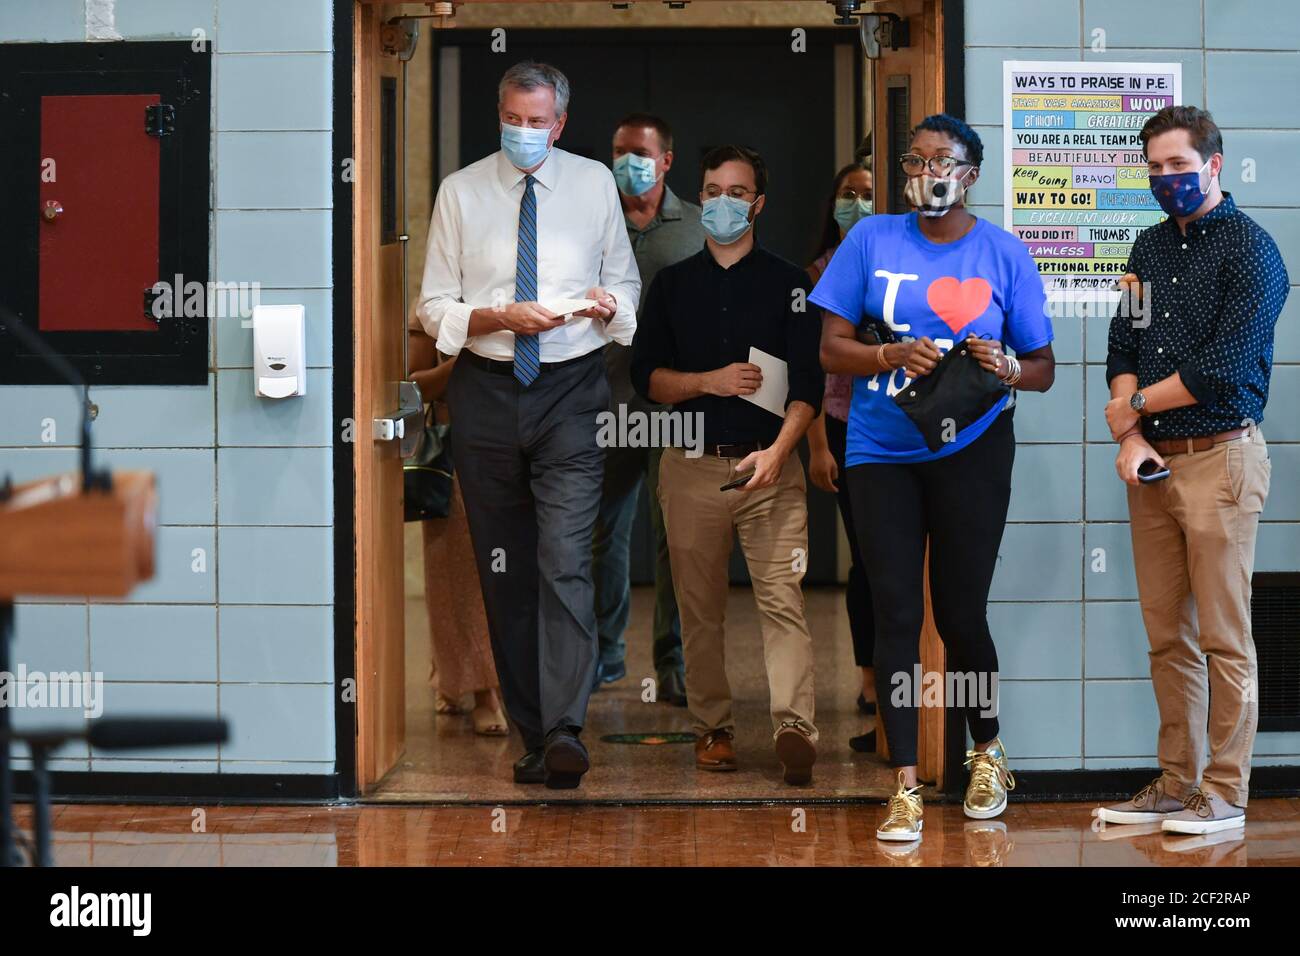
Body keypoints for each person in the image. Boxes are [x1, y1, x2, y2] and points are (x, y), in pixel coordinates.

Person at [813, 114, 1056, 839]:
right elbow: (830, 349)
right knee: (896, 615)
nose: (928, 173)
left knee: (960, 613)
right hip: (881, 451)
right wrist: (889, 357)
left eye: (943, 161)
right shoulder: (870, 240)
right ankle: (905, 787)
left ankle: (987, 752)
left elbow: (1041, 368)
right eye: (915, 161)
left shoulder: (1004, 253)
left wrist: (1010, 367)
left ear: (971, 173)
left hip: (973, 452)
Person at [416, 61, 641, 790]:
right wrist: (495, 316)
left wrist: (612, 307)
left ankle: (568, 727)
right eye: (511, 118)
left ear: (560, 123)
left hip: (574, 389)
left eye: (535, 120)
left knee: (565, 558)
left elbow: (627, 284)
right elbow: (433, 307)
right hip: (485, 390)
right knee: (504, 570)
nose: (521, 131)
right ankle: (534, 733)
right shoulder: (460, 191)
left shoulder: (594, 184)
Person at [1095, 106, 1288, 836]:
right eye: (1155, 168)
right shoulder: (1146, 248)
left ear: (1214, 164)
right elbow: (1123, 342)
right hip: (1151, 465)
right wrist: (1129, 431)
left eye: (1179, 165)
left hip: (1222, 459)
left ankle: (1226, 794)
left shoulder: (1252, 250)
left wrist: (1134, 405)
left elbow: (1221, 369)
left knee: (1223, 637)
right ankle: (1177, 783)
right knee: (1165, 635)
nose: (1166, 179)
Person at [631, 144, 823, 786]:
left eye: (736, 192)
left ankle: (795, 725)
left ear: (758, 204)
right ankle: (712, 730)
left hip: (770, 470)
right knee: (699, 608)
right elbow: (647, 380)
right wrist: (708, 382)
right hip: (690, 467)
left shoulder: (792, 284)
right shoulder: (673, 285)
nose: (721, 202)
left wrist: (782, 450)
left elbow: (809, 386)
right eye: (712, 190)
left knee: (782, 599)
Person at [590, 113, 703, 704]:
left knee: (673, 538)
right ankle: (603, 657)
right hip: (603, 401)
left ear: (666, 161)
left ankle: (674, 662)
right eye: (618, 149)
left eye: (639, 152)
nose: (627, 162)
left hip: (673, 404)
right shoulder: (591, 218)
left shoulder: (697, 228)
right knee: (601, 534)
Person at [804, 160, 879, 752]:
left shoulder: (898, 261)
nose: (854, 203)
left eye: (867, 195)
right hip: (841, 425)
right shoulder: (819, 274)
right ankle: (870, 681)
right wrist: (819, 448)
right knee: (867, 560)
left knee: (894, 564)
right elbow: (812, 371)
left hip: (900, 426)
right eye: (846, 194)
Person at [407, 309, 508, 737]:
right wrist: (461, 367)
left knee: (510, 575)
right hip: (457, 454)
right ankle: (483, 690)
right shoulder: (429, 310)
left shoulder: (521, 294)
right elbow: (411, 387)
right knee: (459, 575)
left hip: (520, 448)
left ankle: (451, 677)